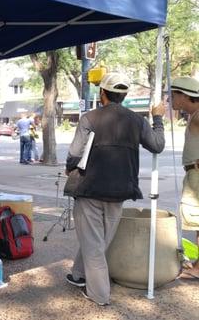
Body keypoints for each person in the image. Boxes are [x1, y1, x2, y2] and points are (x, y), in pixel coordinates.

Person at [64, 72, 165, 306]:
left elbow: (74, 153)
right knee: (97, 242)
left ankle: (99, 295)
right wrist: (157, 118)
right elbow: (157, 145)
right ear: (124, 95)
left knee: (94, 245)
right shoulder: (137, 121)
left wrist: (70, 168)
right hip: (120, 190)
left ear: (102, 94)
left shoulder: (89, 118)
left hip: (89, 188)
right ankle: (79, 275)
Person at [169, 76, 199, 279]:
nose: (171, 99)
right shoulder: (194, 114)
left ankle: (198, 269)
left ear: (184, 95)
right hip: (192, 172)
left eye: (173, 95)